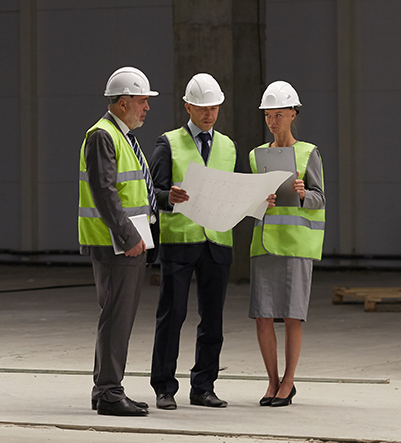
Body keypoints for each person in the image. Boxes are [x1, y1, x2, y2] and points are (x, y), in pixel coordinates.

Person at [147, 73, 236, 410]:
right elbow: (150, 193)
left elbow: (235, 190)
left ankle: (203, 387)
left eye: (213, 108)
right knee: (173, 315)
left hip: (217, 243)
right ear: (187, 107)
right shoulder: (168, 143)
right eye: (202, 108)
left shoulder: (228, 146)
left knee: (213, 319)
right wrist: (168, 196)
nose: (209, 114)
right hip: (180, 241)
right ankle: (164, 387)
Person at [78, 66, 159, 417]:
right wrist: (129, 236)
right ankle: (110, 392)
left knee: (117, 316)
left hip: (126, 242)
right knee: (116, 317)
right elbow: (104, 191)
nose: (147, 108)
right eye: (142, 101)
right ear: (123, 102)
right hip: (117, 243)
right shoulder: (103, 135)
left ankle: (105, 388)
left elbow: (130, 190)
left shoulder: (121, 135)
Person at [248, 80, 326, 407]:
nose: (272, 121)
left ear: (293, 114)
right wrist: (258, 201)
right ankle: (271, 381)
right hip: (264, 244)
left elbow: (320, 199)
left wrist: (302, 193)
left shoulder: (309, 153)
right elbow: (247, 203)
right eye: (268, 115)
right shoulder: (256, 156)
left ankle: (288, 383)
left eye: (279, 114)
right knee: (264, 316)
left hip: (296, 245)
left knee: (293, 316)